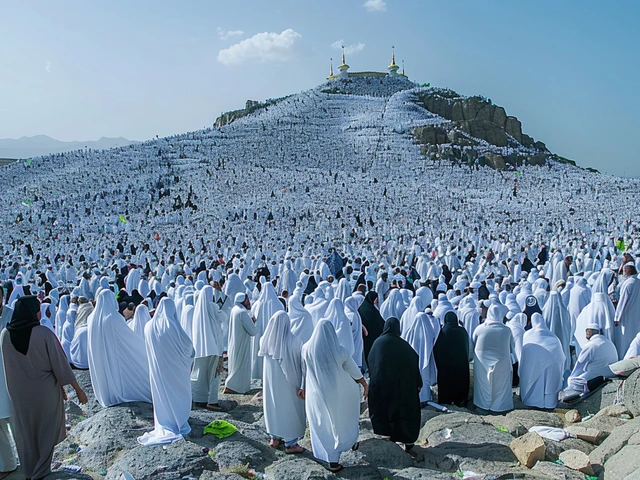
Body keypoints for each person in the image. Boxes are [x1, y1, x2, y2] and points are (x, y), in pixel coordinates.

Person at [1, 296, 88, 480]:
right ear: (32, 312)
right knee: (46, 431)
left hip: (18, 394)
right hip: (44, 391)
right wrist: (77, 389)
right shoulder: (43, 333)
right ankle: (41, 471)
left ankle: (30, 471)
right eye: (38, 309)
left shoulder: (5, 334)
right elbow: (60, 364)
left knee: (26, 433)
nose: (40, 313)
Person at [302, 320, 368, 473]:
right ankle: (344, 446)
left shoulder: (306, 349)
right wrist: (364, 384)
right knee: (341, 420)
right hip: (337, 393)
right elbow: (354, 371)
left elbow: (304, 370)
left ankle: (330, 457)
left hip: (316, 395)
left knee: (322, 423)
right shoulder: (340, 351)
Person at [138, 298, 195, 446]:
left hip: (158, 371)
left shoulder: (148, 326)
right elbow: (188, 347)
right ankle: (178, 420)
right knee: (177, 396)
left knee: (161, 396)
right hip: (175, 371)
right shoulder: (173, 327)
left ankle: (165, 420)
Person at [87, 289, 152, 406]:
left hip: (99, 356)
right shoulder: (113, 317)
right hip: (114, 355)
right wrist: (144, 347)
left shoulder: (91, 318)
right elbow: (128, 338)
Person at [367, 317, 421, 452]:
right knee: (403, 413)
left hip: (381, 387)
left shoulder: (378, 343)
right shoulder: (404, 345)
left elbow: (371, 362)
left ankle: (386, 436)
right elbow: (414, 363)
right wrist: (417, 383)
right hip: (402, 387)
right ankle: (407, 442)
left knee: (383, 412)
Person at [258, 311, 306, 454]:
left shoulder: (264, 340)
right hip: (291, 384)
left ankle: (274, 437)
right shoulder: (295, 341)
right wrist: (303, 385)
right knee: (290, 411)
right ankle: (291, 444)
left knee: (274, 408)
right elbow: (303, 366)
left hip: (271, 385)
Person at [473, 304, 514, 413]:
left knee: (483, 382)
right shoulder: (506, 330)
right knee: (500, 383)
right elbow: (512, 346)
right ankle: (499, 406)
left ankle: (483, 404)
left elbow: (473, 341)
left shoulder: (480, 328)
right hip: (502, 360)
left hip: (481, 360)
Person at [519, 313, 564, 409]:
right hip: (552, 366)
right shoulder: (553, 336)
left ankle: (532, 401)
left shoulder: (527, 334)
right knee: (549, 384)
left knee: (535, 383)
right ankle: (549, 404)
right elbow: (560, 356)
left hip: (533, 367)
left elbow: (525, 354)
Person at [191, 286, 225, 410]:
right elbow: (224, 318)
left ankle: (199, 398)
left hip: (201, 347)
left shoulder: (198, 310)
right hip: (214, 347)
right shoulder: (213, 306)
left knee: (200, 373)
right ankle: (212, 401)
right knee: (215, 374)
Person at [565, 323, 618, 396]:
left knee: (572, 381)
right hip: (611, 374)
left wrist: (571, 378)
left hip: (596, 378)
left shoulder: (591, 345)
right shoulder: (609, 342)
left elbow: (579, 368)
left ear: (589, 332)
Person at [433, 311, 470, 406]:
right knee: (460, 382)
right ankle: (460, 400)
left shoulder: (443, 331)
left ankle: (446, 400)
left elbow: (437, 349)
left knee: (446, 383)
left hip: (446, 366)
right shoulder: (462, 331)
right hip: (461, 365)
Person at [224, 293, 258, 394]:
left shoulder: (235, 309)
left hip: (235, 342)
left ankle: (233, 386)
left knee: (236, 364)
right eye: (247, 299)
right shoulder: (242, 312)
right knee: (240, 366)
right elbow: (253, 331)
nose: (249, 301)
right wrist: (253, 321)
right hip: (242, 343)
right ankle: (234, 387)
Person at [614, 262, 640, 359]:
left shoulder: (629, 283)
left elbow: (622, 301)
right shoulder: (638, 281)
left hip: (626, 316)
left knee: (625, 340)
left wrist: (617, 317)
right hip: (637, 315)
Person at [358, 291, 385, 367]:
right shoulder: (373, 310)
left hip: (365, 337)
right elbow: (381, 323)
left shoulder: (361, 308)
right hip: (374, 337)